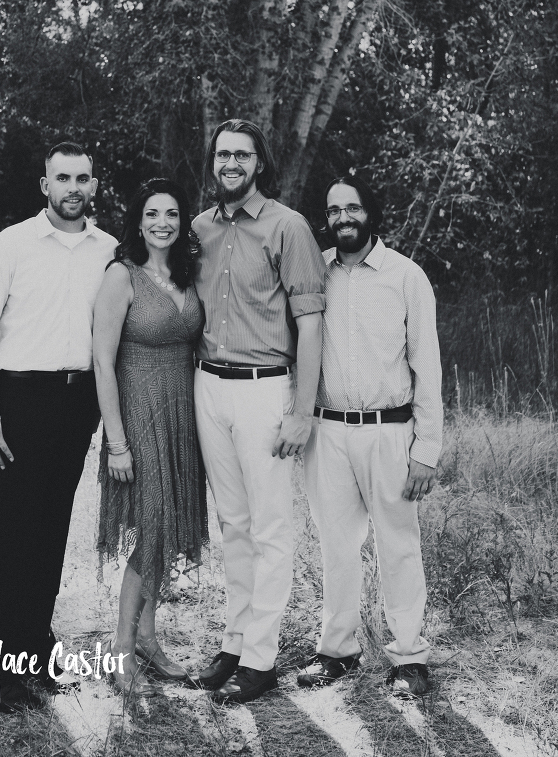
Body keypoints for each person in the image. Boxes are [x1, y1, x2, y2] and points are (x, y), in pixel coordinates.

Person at [0, 141, 117, 713]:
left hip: (79, 404)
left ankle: (34, 645)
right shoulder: (11, 244)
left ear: (95, 185)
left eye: (83, 178)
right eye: (62, 178)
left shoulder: (109, 251)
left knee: (51, 530)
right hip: (22, 400)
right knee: (12, 533)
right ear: (45, 185)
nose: (73, 187)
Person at [190, 119, 326, 705]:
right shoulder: (199, 228)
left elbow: (311, 323)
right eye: (223, 155)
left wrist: (302, 412)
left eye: (242, 155)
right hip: (208, 388)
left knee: (271, 528)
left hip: (264, 390)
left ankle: (262, 659)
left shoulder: (288, 226)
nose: (231, 164)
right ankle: (235, 639)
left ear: (259, 164)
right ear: (214, 161)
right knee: (233, 527)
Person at [299, 174, 443, 699]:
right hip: (328, 430)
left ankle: (408, 657)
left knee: (398, 545)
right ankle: (337, 650)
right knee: (336, 545)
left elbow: (427, 364)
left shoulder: (406, 277)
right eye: (334, 210)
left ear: (371, 213)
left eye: (353, 208)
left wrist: (426, 449)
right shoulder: (315, 275)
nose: (343, 218)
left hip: (391, 431)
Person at [93, 178, 207, 699]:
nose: (163, 222)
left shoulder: (186, 275)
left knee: (167, 526)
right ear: (138, 222)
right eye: (153, 213)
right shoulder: (122, 276)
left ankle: (148, 636)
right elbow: (102, 360)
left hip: (181, 415)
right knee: (154, 527)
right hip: (138, 415)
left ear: (183, 223)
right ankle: (121, 648)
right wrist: (117, 442)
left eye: (173, 214)